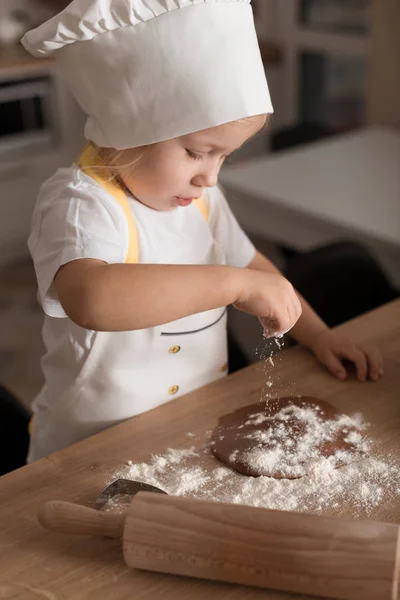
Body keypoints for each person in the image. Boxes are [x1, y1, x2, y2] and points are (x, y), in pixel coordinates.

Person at [22, 0, 382, 463]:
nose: (210, 177)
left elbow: (250, 263)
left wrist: (317, 335)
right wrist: (233, 285)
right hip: (89, 450)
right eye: (196, 152)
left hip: (189, 427)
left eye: (223, 157)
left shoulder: (199, 198)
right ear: (128, 129)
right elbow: (91, 298)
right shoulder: (80, 204)